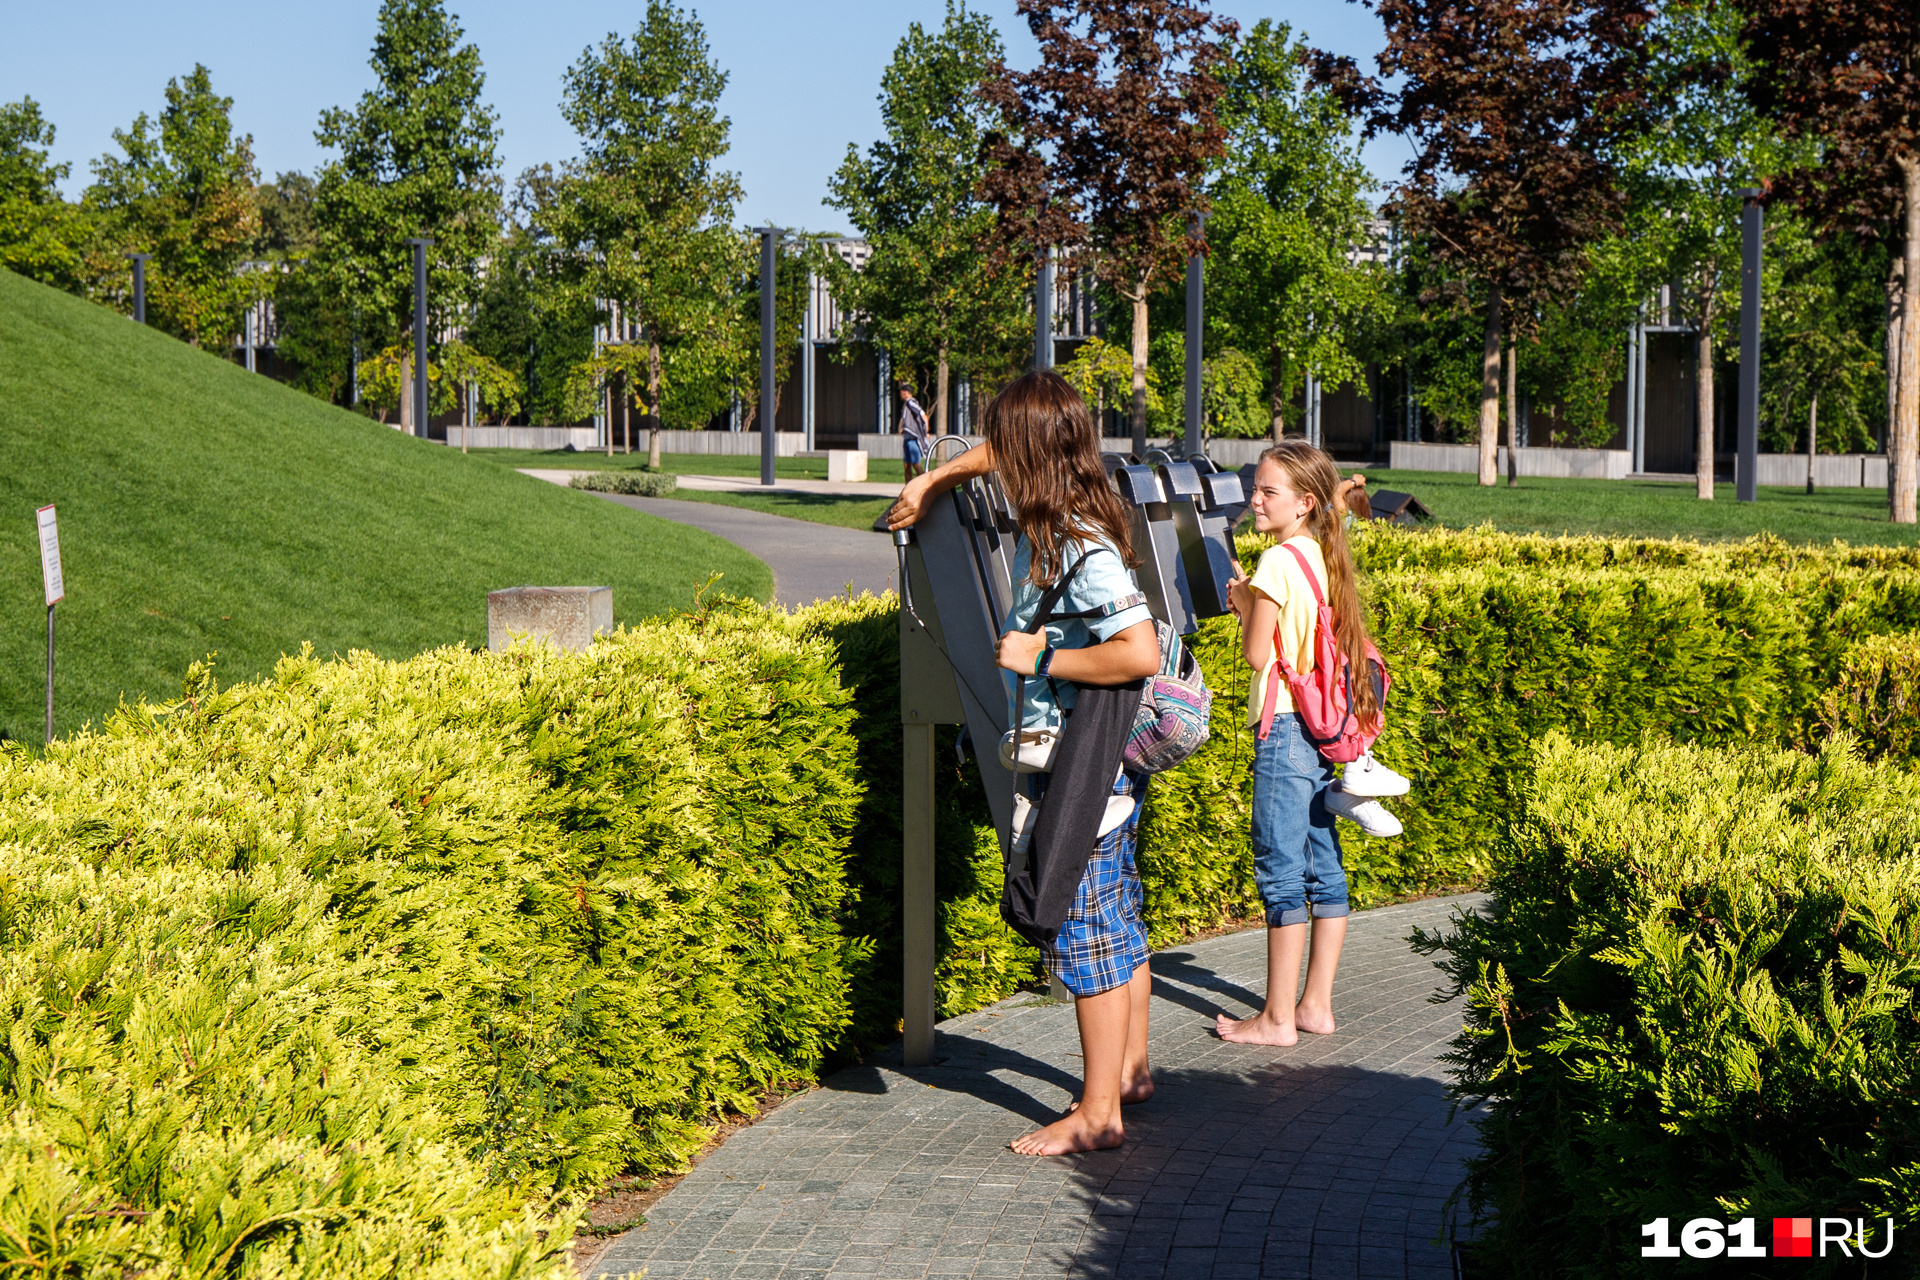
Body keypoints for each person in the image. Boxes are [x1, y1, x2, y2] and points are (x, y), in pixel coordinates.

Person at [888, 371, 1161, 1155]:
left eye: (1003, 447)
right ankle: (1131, 1075)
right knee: (1117, 922)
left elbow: (1135, 652)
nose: (993, 459)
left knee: (1085, 936)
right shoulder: (1073, 509)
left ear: (1031, 459)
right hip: (1100, 763)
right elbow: (993, 454)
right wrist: (936, 476)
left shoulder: (1078, 544)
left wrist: (1042, 655)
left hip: (1084, 772)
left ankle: (1098, 1112)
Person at [1216, 441, 1388, 1047]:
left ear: (1304, 502)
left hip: (1285, 728)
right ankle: (1315, 1005)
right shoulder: (1319, 551)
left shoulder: (1277, 563)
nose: (1255, 499)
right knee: (1322, 864)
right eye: (1256, 488)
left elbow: (1258, 653)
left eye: (1268, 492)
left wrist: (1242, 603)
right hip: (1322, 732)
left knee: (1281, 871)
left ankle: (1277, 1019)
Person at [897, 382, 930, 481]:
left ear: (906, 392)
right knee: (907, 466)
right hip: (907, 439)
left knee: (916, 465)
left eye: (901, 391)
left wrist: (925, 431)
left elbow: (922, 414)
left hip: (913, 439)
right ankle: (908, 490)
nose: (900, 394)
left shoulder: (910, 402)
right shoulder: (907, 404)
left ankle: (925, 486)